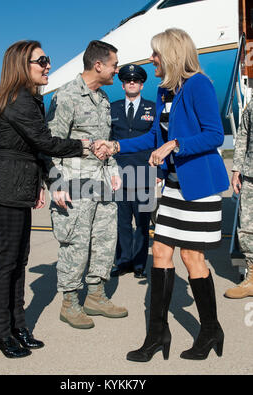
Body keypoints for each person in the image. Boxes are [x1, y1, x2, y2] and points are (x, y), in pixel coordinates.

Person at [93, 28, 230, 361]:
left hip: (197, 188)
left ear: (170, 54)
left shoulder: (199, 84)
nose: (151, 59)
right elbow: (154, 136)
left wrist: (177, 144)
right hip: (171, 186)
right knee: (160, 255)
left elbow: (214, 135)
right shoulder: (166, 91)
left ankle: (211, 330)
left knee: (192, 258)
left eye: (155, 53)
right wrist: (116, 145)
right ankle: (157, 335)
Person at [0, 40, 91, 358]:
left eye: (47, 59)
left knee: (19, 261)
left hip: (18, 189)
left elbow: (35, 148)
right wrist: (84, 145)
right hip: (4, 189)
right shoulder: (18, 100)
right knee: (6, 263)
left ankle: (17, 326)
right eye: (41, 61)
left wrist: (43, 181)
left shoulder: (30, 100)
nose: (48, 66)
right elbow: (46, 142)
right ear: (21, 66)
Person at [46, 40, 128, 330]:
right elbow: (51, 144)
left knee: (104, 240)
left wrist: (114, 168)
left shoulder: (103, 98)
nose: (117, 70)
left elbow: (103, 144)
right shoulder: (66, 95)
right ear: (98, 65)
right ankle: (69, 302)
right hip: (75, 182)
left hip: (103, 182)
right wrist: (55, 183)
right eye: (114, 65)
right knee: (76, 244)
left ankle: (96, 295)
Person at [110, 64, 156, 279]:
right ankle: (123, 262)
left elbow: (158, 141)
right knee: (122, 223)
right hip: (119, 175)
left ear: (141, 84)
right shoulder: (112, 108)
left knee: (142, 223)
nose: (132, 83)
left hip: (144, 175)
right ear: (123, 85)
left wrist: (159, 173)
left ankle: (139, 263)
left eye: (135, 80)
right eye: (128, 80)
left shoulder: (152, 109)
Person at [224, 98, 253, 298]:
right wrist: (236, 169)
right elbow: (243, 135)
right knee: (246, 227)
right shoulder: (252, 104)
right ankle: (251, 278)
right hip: (251, 174)